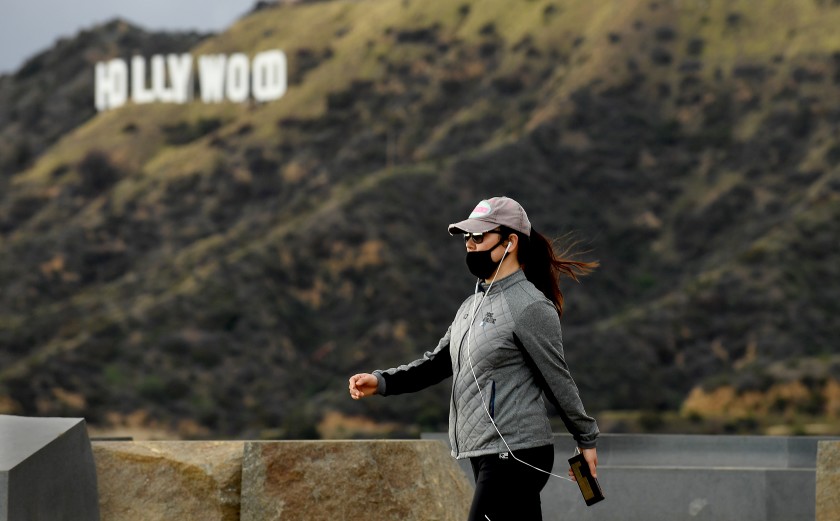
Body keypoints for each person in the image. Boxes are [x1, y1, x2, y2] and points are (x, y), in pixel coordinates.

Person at [348, 196, 599, 521]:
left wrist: (586, 440)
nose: (469, 243)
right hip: (484, 452)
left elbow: (558, 380)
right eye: (467, 236)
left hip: (515, 452)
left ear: (510, 242)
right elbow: (437, 363)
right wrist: (382, 381)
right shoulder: (471, 306)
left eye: (479, 237)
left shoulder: (529, 306)